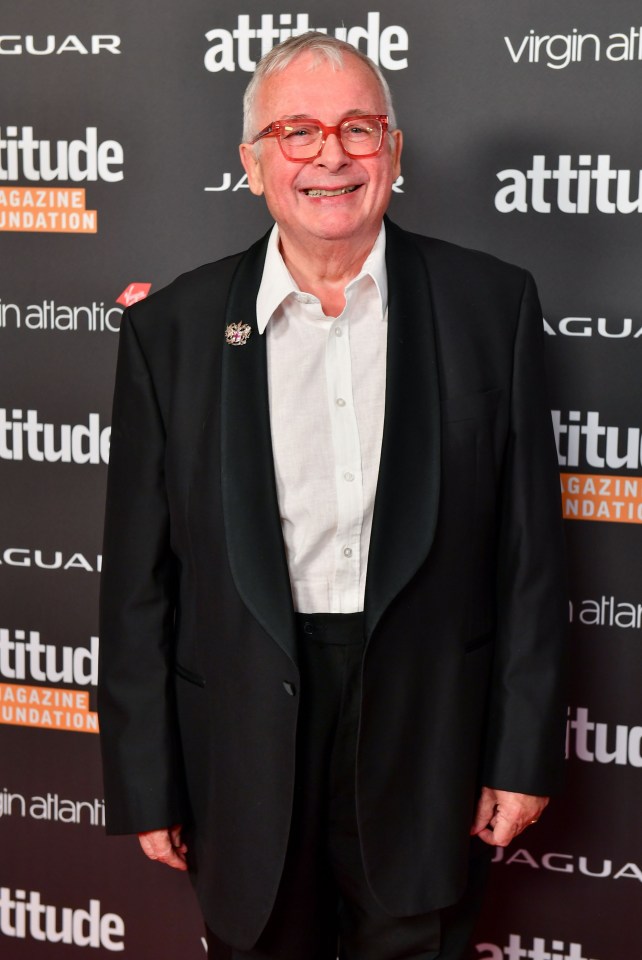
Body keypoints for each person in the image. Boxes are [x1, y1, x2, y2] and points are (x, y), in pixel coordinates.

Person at [98, 32, 568, 960]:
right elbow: (138, 584)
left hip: (428, 735)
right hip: (241, 738)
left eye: (358, 129)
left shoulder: (491, 305)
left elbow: (529, 562)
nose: (330, 157)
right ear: (253, 161)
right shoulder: (172, 330)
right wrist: (147, 781)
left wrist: (521, 755)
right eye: (298, 131)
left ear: (393, 150)